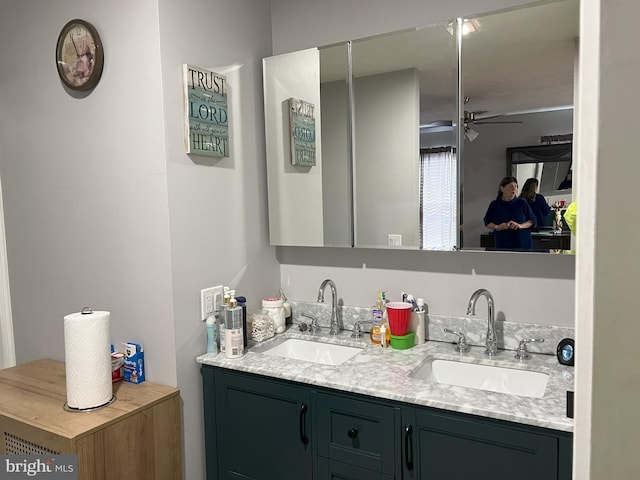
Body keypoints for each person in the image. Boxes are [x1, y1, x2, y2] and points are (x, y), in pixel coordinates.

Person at [484, 176, 537, 250]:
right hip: (502, 244)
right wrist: (498, 227)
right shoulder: (495, 205)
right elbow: (487, 222)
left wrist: (520, 226)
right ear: (502, 188)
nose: (514, 189)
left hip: (522, 244)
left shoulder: (522, 203)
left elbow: (533, 221)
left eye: (516, 187)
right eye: (511, 186)